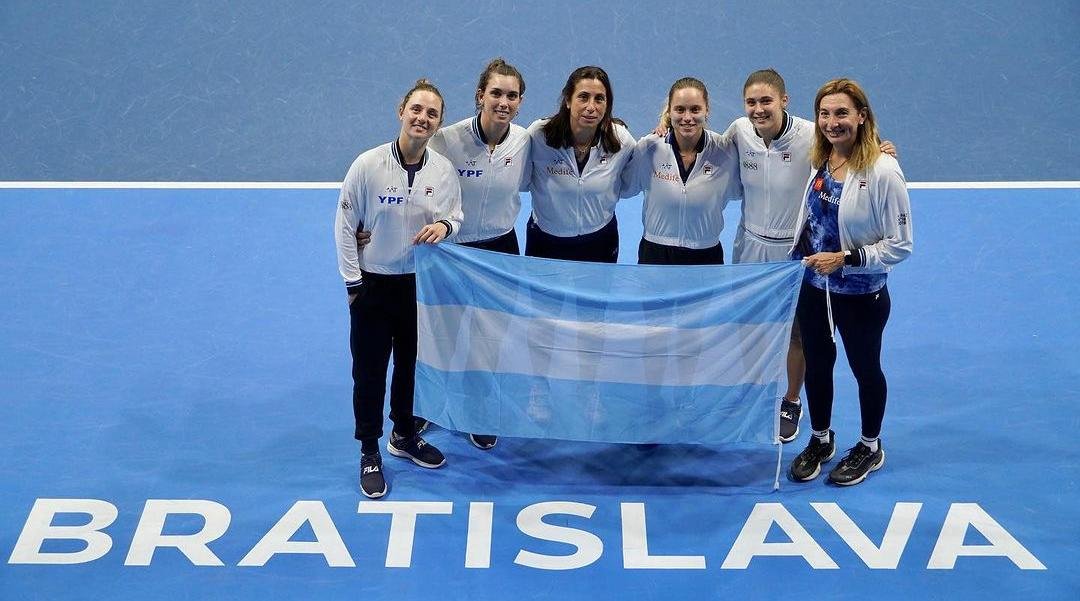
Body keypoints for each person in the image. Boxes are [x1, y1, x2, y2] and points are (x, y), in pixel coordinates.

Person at [335, 79, 464, 498]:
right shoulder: (367, 165)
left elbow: (455, 216)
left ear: (438, 123)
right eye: (417, 109)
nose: (422, 118)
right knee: (369, 373)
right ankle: (370, 449)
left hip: (417, 287)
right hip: (373, 287)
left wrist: (444, 226)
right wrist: (354, 284)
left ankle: (404, 435)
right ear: (401, 111)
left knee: (412, 367)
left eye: (432, 114)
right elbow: (344, 226)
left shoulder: (442, 171)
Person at [787, 78, 913, 486]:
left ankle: (869, 446)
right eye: (824, 113)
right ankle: (821, 440)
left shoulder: (883, 170)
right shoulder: (821, 158)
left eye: (842, 113)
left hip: (860, 294)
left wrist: (845, 259)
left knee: (864, 368)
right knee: (818, 366)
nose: (831, 122)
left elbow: (901, 245)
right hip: (814, 287)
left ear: (862, 116)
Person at [424, 57, 531, 450]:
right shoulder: (446, 140)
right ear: (479, 96)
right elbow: (413, 179)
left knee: (491, 337)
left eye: (512, 95)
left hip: (501, 249)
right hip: (452, 249)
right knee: (440, 335)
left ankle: (481, 411)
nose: (503, 102)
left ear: (520, 102)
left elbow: (572, 132)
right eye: (496, 93)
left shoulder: (525, 140)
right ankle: (426, 407)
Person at [524, 66, 636, 263]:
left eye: (599, 99)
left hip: (600, 240)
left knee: (598, 295)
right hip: (546, 241)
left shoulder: (621, 140)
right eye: (583, 97)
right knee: (545, 295)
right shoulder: (540, 135)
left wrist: (667, 127)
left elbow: (649, 162)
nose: (591, 107)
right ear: (568, 100)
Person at [624, 77, 740, 265]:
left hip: (706, 254)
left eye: (695, 109)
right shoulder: (649, 149)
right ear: (669, 111)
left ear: (707, 110)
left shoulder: (725, 153)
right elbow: (623, 186)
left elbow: (747, 187)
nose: (687, 117)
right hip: (656, 253)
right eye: (680, 109)